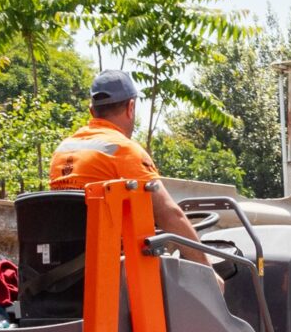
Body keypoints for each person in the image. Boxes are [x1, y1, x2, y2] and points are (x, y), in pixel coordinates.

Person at [48, 70, 210, 258]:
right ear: (130, 107)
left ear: (92, 111)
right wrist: (209, 274)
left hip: (64, 276)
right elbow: (169, 214)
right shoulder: (125, 150)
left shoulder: (61, 151)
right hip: (116, 272)